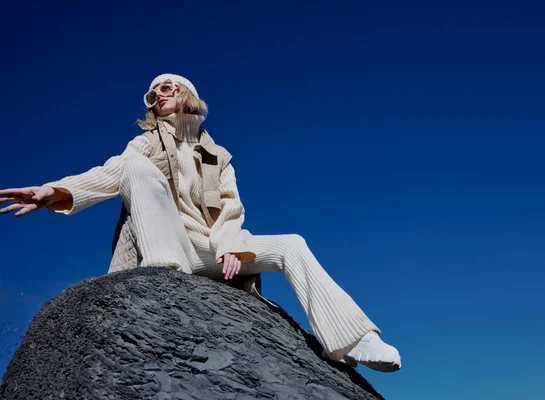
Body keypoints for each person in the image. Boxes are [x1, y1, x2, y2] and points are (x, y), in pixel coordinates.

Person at [0, 74, 401, 372]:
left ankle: (354, 339)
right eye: (152, 94)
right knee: (133, 167)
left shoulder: (219, 155)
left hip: (212, 250)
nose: (158, 96)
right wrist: (52, 191)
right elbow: (110, 174)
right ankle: (165, 275)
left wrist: (230, 246)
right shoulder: (144, 144)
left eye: (167, 88)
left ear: (187, 94)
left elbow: (232, 210)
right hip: (170, 246)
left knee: (291, 243)